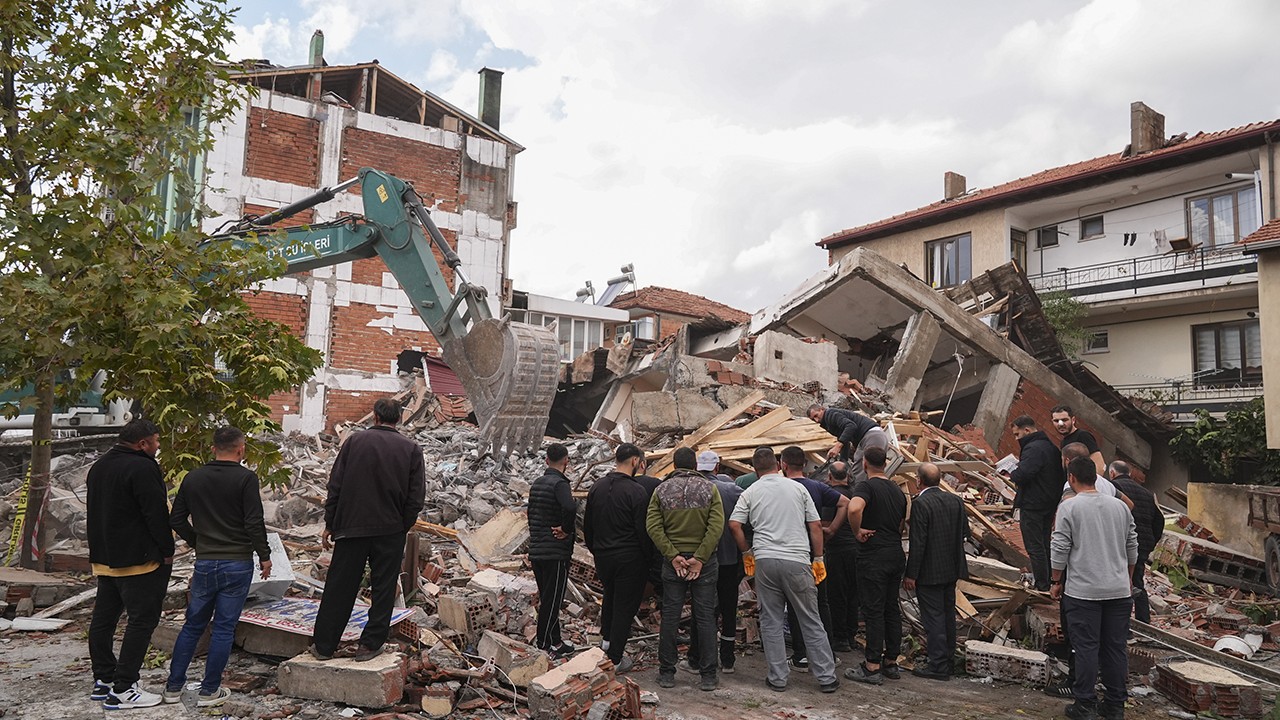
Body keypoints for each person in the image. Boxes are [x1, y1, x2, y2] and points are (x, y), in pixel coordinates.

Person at [163, 427, 271, 708]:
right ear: (241, 449)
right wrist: (265, 555)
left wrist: (197, 542)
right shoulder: (246, 479)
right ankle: (209, 690)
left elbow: (176, 519)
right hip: (237, 562)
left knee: (193, 625)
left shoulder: (193, 478)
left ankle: (173, 687)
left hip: (205, 562)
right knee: (224, 628)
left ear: (213, 449)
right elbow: (253, 522)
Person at [311, 398, 425, 662]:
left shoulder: (354, 442)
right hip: (390, 530)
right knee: (384, 588)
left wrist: (331, 522)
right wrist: (402, 526)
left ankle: (324, 646)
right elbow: (415, 496)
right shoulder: (411, 449)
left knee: (340, 586)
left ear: (375, 417)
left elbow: (335, 485)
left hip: (351, 527)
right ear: (398, 419)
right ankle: (370, 645)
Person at [728, 447, 839, 694]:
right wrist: (818, 558)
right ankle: (827, 677)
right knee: (810, 618)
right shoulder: (798, 488)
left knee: (771, 620)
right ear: (778, 465)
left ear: (755, 469)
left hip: (765, 561)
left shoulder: (750, 491)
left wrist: (746, 552)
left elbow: (734, 525)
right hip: (797, 560)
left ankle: (778, 677)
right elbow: (815, 526)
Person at [87, 418, 174, 710]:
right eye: (156, 441)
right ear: (142, 443)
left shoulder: (99, 466)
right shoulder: (143, 467)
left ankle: (104, 679)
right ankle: (124, 688)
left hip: (105, 559)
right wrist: (167, 549)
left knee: (103, 621)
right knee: (141, 621)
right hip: (139, 561)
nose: (157, 446)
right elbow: (155, 512)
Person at [1051, 457, 1138, 720]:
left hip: (1084, 592)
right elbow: (1132, 545)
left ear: (1071, 478)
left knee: (1086, 648)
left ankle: (1085, 704)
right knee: (1115, 648)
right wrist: (1128, 578)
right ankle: (1115, 705)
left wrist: (1056, 581)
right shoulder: (1120, 507)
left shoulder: (1069, 507)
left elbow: (1060, 546)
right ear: (1096, 477)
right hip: (1118, 591)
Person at [646, 447, 724, 691]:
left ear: (674, 464)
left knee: (670, 615)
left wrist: (672, 555)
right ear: (695, 465)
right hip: (705, 564)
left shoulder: (661, 490)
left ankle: (667, 673)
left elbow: (653, 526)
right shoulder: (710, 489)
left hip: (674, 565)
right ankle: (708, 675)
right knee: (705, 616)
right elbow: (716, 526)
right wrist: (700, 558)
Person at [584, 443, 653, 672]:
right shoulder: (636, 492)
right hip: (629, 557)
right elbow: (643, 531)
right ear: (635, 461)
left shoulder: (597, 487)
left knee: (610, 597)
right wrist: (649, 559)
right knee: (624, 606)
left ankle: (606, 643)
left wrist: (596, 550)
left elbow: (588, 526)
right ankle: (615, 658)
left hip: (603, 556)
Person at [780, 445, 847, 668]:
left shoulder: (782, 488)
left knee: (794, 604)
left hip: (791, 553)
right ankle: (828, 653)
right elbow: (845, 503)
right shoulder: (817, 487)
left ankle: (800, 655)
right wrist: (832, 530)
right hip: (816, 552)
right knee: (821, 603)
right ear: (804, 465)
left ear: (783, 465)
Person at [844, 445, 907, 685]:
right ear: (885, 463)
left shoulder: (866, 486)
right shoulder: (897, 490)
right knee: (891, 608)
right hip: (895, 553)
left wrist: (857, 531)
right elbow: (901, 522)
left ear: (864, 464)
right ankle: (891, 661)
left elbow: (854, 508)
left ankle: (871, 666)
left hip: (873, 555)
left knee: (873, 610)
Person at [903, 463, 969, 681]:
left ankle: (938, 665)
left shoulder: (921, 504)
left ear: (919, 481)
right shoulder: (955, 500)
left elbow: (918, 542)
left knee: (933, 619)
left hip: (929, 572)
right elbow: (965, 533)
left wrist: (911, 574)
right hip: (951, 569)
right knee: (948, 615)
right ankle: (947, 661)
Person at [688, 450, 744, 674]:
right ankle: (727, 659)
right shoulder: (732, 490)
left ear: (696, 468)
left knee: (701, 609)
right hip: (729, 558)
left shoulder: (691, 489)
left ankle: (695, 658)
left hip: (700, 559)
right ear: (717, 467)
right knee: (729, 608)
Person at [528, 442, 578, 658]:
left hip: (537, 551)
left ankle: (556, 641)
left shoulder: (537, 484)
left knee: (548, 596)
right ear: (566, 460)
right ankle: (544, 644)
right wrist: (566, 529)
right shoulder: (560, 484)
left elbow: (531, 514)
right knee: (553, 600)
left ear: (547, 460)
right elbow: (570, 507)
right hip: (555, 552)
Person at [1008, 415, 1062, 591]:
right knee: (1044, 544)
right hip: (1048, 503)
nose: (1016, 439)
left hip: (1033, 504)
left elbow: (1023, 474)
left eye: (1017, 435)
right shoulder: (1050, 447)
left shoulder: (1033, 448)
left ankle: (1042, 585)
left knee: (1035, 546)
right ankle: (1050, 581)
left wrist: (1012, 473)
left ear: (1027, 430)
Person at [1107, 461, 1164, 624]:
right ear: (1130, 474)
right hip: (1143, 544)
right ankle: (1143, 620)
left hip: (1121, 542)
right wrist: (1151, 542)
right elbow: (1159, 521)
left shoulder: (1114, 488)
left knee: (1117, 582)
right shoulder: (1147, 493)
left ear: (1112, 473)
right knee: (1137, 581)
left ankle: (1118, 620)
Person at [823, 461, 860, 653]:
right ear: (848, 475)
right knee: (853, 594)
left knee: (836, 595)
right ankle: (851, 635)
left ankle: (840, 638)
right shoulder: (857, 494)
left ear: (830, 476)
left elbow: (826, 525)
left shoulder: (831, 496)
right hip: (856, 549)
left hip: (837, 550)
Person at [807, 404, 888, 483]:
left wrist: (837, 446)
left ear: (822, 409)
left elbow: (851, 426)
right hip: (876, 436)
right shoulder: (827, 421)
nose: (816, 420)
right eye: (813, 419)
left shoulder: (830, 414)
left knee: (859, 471)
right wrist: (843, 461)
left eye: (816, 415)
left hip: (871, 436)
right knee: (871, 470)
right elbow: (845, 440)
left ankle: (856, 490)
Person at [1060, 443, 1134, 510]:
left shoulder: (1073, 483)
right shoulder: (1106, 483)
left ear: (1067, 461)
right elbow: (1130, 504)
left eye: (1062, 459)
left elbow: (1068, 507)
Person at [1050, 405, 1105, 475]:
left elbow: (1100, 466)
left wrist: (1088, 481)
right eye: (1056, 421)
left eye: (1065, 420)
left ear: (1073, 420)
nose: (1060, 424)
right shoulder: (1063, 442)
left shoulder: (1083, 436)